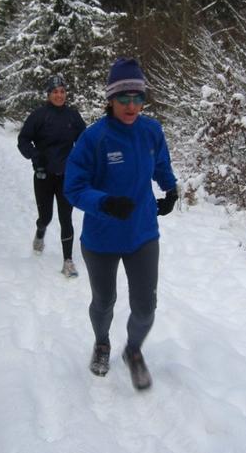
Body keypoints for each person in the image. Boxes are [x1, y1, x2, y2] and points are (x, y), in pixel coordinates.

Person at [64, 58, 178, 390]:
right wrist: (104, 203)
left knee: (146, 307)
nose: (131, 106)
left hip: (142, 233)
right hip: (101, 237)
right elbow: (74, 187)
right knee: (104, 301)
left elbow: (161, 164)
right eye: (123, 98)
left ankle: (133, 350)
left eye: (138, 98)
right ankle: (102, 343)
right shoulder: (94, 138)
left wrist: (170, 189)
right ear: (111, 99)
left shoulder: (151, 131)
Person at [18, 74, 86, 278]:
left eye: (62, 91)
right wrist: (35, 156)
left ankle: (68, 262)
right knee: (46, 217)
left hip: (66, 175)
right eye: (55, 92)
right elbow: (23, 140)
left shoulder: (73, 116)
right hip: (43, 175)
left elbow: (85, 140)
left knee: (66, 218)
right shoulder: (39, 115)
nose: (59, 95)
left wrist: (85, 160)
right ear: (48, 94)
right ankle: (40, 232)